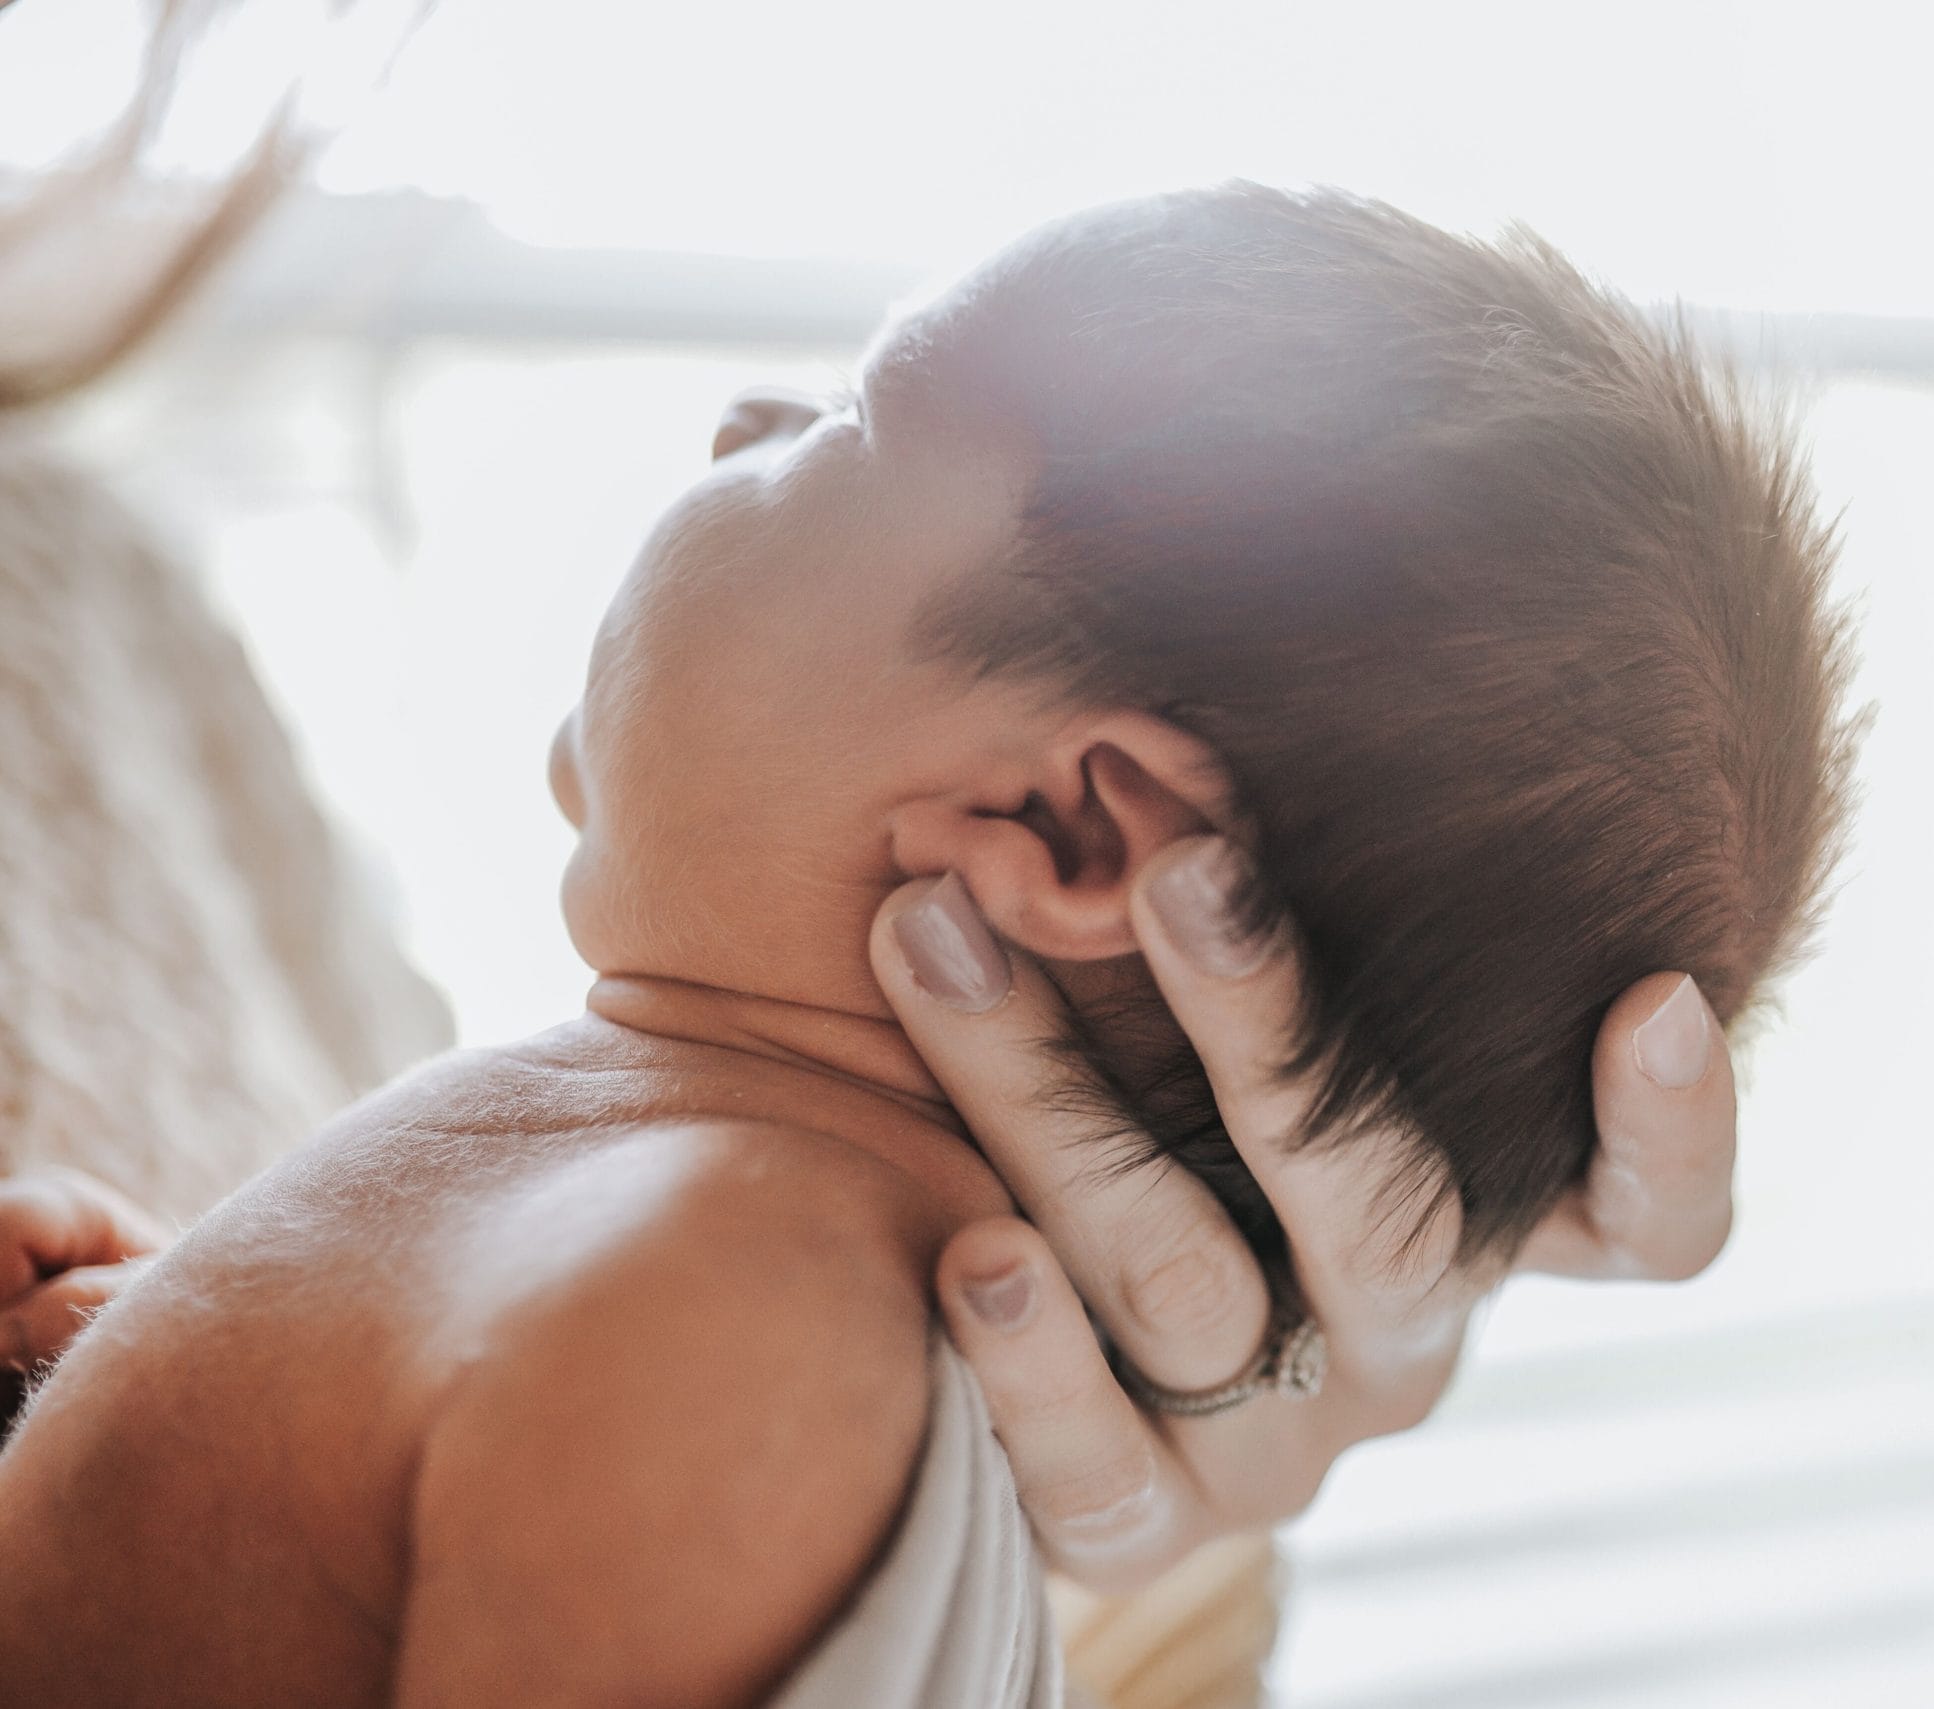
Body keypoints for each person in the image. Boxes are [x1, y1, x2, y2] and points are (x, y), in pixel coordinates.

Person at [0, 184, 1834, 1705]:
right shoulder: (682, 1257)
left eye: (848, 426)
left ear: (1061, 831)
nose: (740, 420)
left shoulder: (736, 1337)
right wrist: (207, 1407)